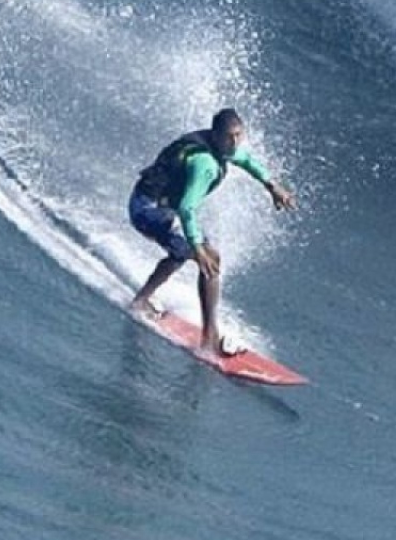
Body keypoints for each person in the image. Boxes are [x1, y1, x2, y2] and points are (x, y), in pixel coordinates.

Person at [125, 107, 295, 356]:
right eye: (230, 137)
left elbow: (246, 160)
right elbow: (186, 208)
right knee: (211, 260)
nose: (235, 142)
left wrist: (272, 185)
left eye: (239, 135)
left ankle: (141, 301)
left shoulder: (221, 147)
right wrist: (198, 247)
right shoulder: (204, 162)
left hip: (149, 203)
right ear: (216, 135)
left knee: (180, 252)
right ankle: (209, 339)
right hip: (146, 210)